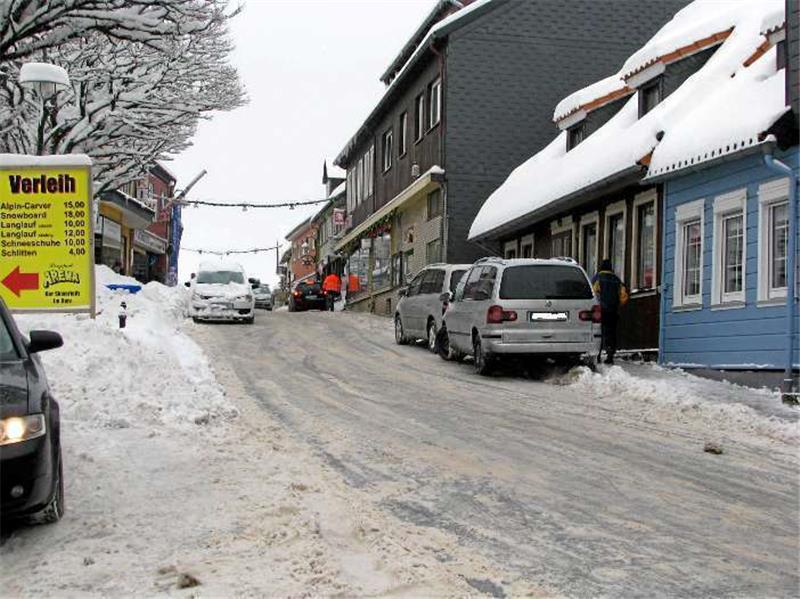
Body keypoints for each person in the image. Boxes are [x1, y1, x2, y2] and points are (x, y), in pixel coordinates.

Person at [591, 259, 629, 365]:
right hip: (613, 311)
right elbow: (623, 297)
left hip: (600, 310)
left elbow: (593, 292)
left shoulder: (597, 278)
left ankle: (597, 354)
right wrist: (616, 304)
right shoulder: (617, 280)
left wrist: (598, 304)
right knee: (611, 333)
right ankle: (610, 354)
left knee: (599, 332)